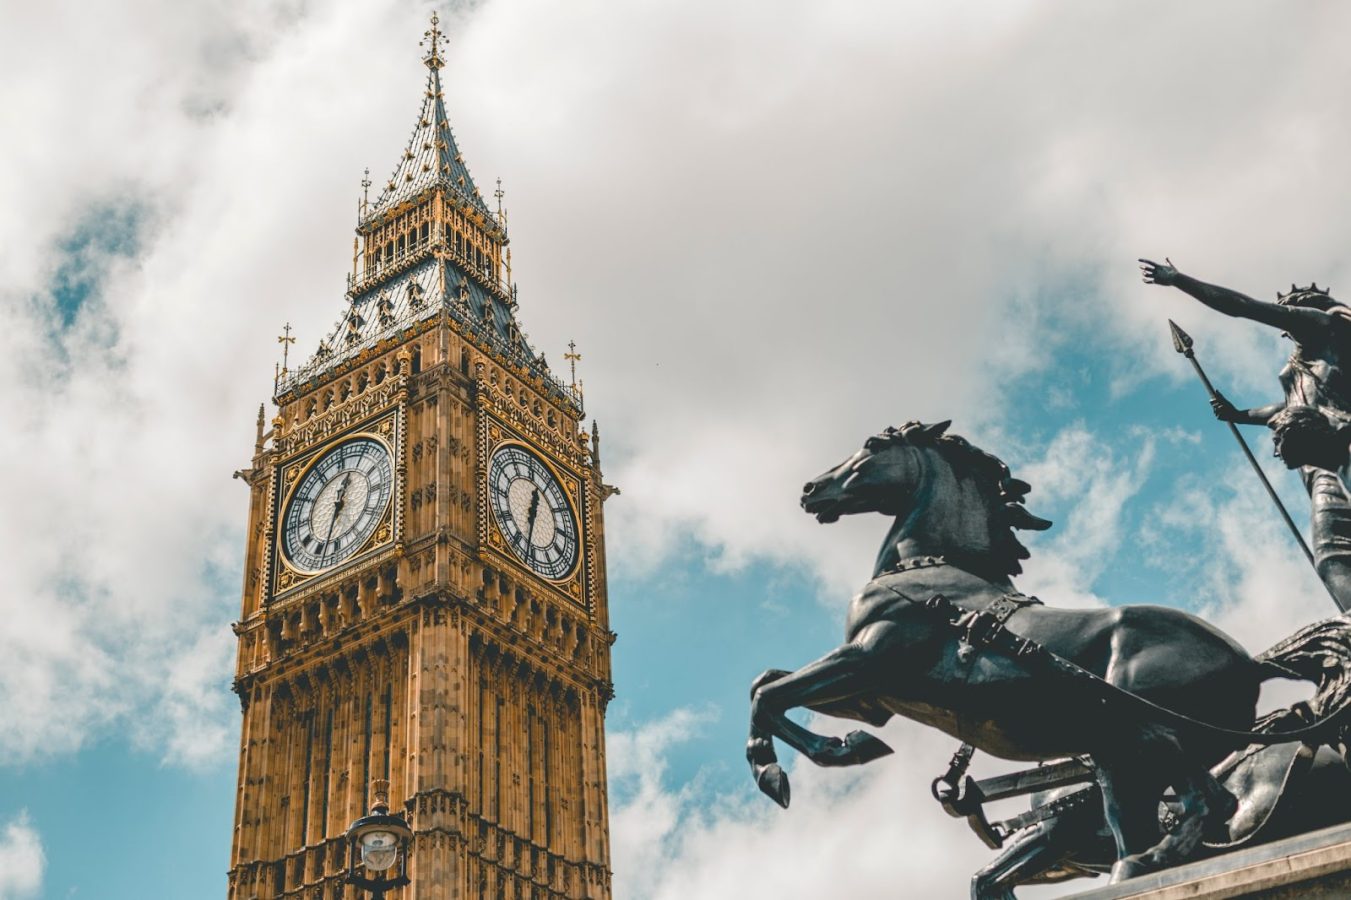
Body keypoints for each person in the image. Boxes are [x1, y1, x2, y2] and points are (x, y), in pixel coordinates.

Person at [1141, 258, 1351, 606]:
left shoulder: (1326, 329)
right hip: (1318, 470)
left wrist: (1179, 280)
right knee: (1331, 557)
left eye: (1290, 310)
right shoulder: (1299, 367)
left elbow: (1243, 308)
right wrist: (1240, 414)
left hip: (1344, 446)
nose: (1286, 317)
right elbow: (1288, 408)